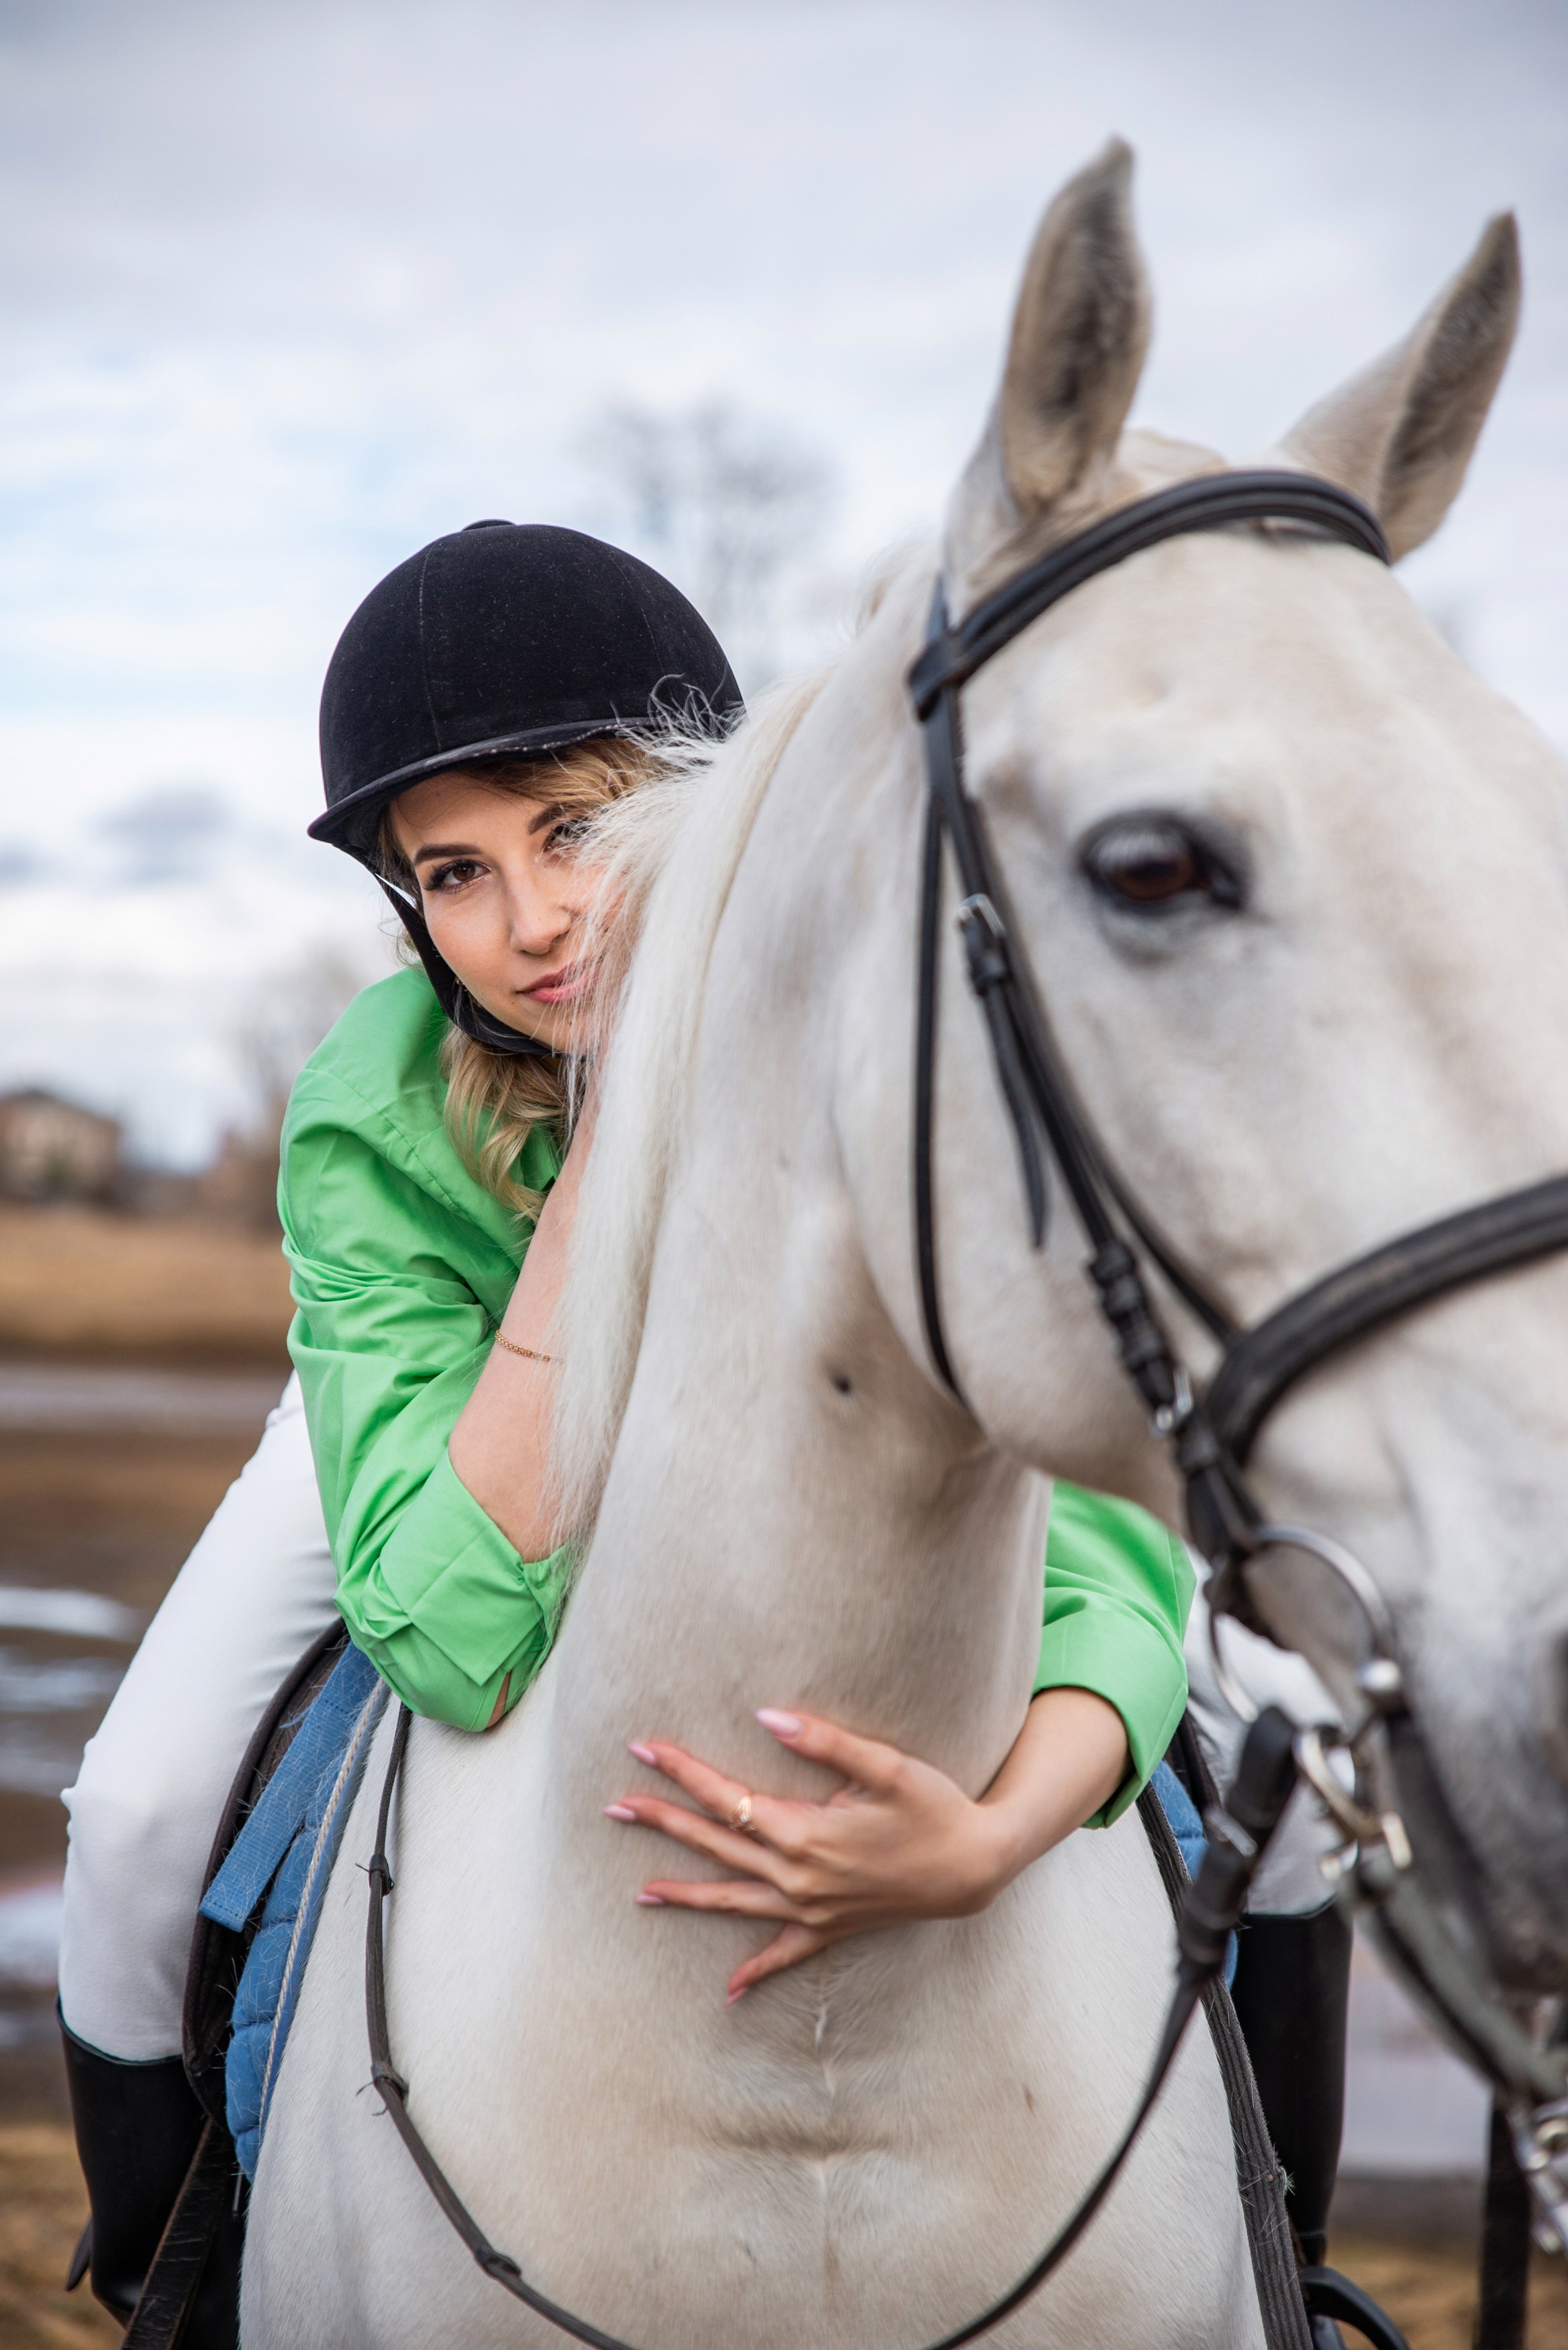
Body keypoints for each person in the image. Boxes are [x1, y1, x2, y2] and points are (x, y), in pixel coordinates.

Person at [58, 518, 1206, 2328]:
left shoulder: (894, 1035)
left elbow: (1107, 1560)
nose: (533, 923)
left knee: (1287, 1780)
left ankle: (1281, 2256)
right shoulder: (372, 1102)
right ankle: (171, 2275)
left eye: (576, 828)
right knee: (132, 1803)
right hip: (460, 1387)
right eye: (453, 872)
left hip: (802, 1407)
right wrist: (608, 1175)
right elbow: (446, 1629)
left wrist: (996, 1836)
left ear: (712, 805)